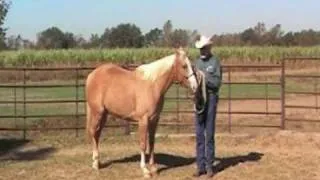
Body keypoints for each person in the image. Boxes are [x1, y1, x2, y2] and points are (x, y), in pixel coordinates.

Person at [193, 35, 222, 178]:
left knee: (209, 133)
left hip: (210, 98)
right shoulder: (196, 63)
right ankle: (200, 166)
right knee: (199, 134)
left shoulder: (215, 62)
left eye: (204, 48)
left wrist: (204, 77)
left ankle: (210, 166)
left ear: (209, 48)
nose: (202, 51)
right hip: (199, 100)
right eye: (200, 49)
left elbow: (217, 83)